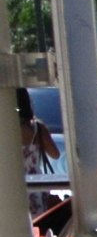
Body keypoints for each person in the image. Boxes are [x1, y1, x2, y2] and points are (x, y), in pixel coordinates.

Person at [19, 87, 58, 218]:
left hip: (10, 186)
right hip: (35, 187)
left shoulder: (5, 127)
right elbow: (55, 154)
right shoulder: (37, 128)